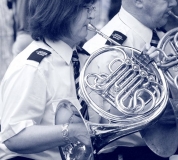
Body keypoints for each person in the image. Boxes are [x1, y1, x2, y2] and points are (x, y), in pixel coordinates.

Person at [0, 0, 161, 159]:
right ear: (60, 12)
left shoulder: (85, 60)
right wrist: (71, 131)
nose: (92, 15)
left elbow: (106, 121)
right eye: (86, 8)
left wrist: (136, 78)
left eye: (92, 7)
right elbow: (13, 137)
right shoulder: (33, 67)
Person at [83, 0, 178, 159]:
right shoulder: (107, 48)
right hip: (129, 152)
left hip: (166, 147)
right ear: (139, 2)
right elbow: (110, 116)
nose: (174, 3)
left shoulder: (161, 36)